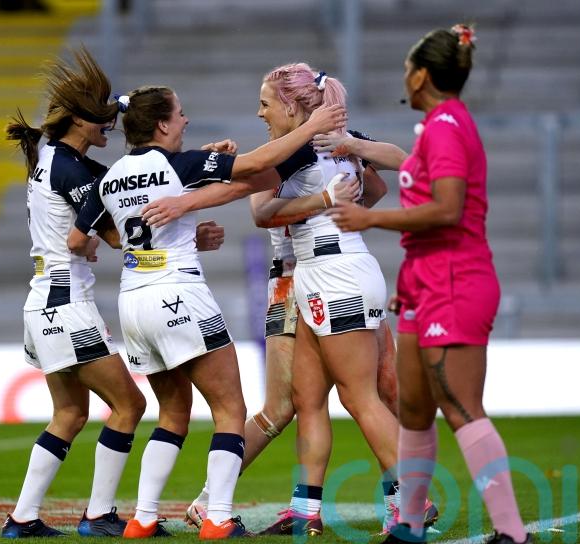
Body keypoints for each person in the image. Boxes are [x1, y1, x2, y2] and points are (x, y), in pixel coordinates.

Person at [141, 64, 436, 537]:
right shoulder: (329, 141)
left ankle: (410, 506)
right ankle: (308, 512)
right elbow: (387, 173)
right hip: (325, 274)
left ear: (292, 104)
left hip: (328, 273)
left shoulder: (300, 147)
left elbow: (249, 193)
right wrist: (346, 183)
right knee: (311, 399)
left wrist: (184, 204)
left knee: (354, 398)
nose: (259, 112)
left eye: (265, 103)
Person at [69, 85, 346, 539]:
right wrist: (314, 126)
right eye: (180, 114)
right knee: (230, 408)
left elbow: (78, 241)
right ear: (161, 124)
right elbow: (256, 167)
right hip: (177, 294)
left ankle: (143, 518)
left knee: (172, 412)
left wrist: (168, 238)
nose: (186, 120)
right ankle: (217, 518)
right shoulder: (179, 165)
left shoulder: (110, 177)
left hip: (132, 301)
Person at [328, 25, 531, 544]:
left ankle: (512, 533)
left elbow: (447, 209)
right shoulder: (438, 126)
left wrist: (370, 220)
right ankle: (409, 527)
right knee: (416, 411)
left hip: (457, 281)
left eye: (406, 70)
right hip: (426, 280)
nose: (404, 78)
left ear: (421, 74)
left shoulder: (445, 128)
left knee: (461, 407)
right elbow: (416, 178)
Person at [0, 47, 147, 539]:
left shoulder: (50, 156)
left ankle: (22, 518)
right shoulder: (72, 170)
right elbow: (103, 234)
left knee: (69, 413)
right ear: (80, 121)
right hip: (66, 302)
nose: (108, 126)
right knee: (129, 406)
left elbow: (109, 192)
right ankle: (99, 515)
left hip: (42, 301)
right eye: (102, 117)